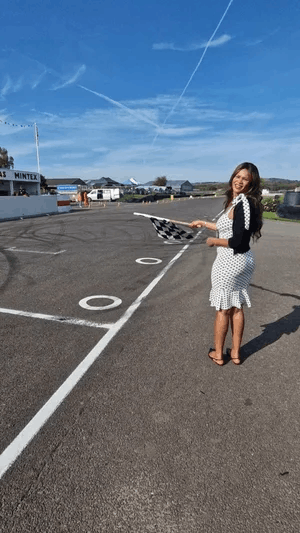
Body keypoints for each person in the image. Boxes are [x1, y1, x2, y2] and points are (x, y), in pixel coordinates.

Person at [189, 162, 263, 365]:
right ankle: (236, 354)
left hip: (230, 261)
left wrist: (214, 241)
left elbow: (238, 241)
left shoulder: (243, 204)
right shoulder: (240, 202)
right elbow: (227, 228)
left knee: (224, 309)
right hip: (244, 261)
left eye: (244, 178)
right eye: (237, 176)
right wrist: (203, 223)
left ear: (251, 183)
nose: (239, 181)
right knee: (236, 306)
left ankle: (219, 354)